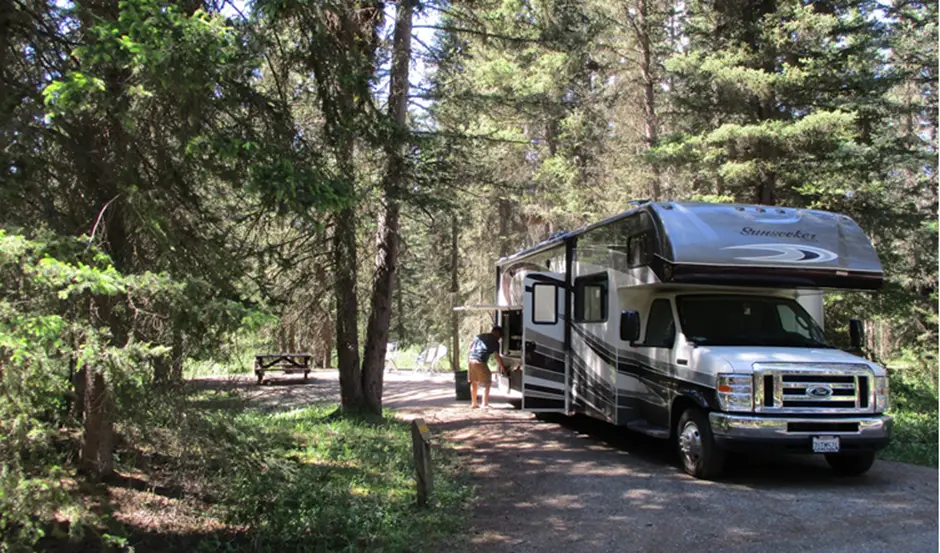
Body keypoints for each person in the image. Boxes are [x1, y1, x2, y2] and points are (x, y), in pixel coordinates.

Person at [467, 326, 505, 409]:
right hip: (480, 361)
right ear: (496, 333)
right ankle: (484, 404)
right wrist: (502, 367)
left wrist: (470, 354)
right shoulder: (495, 341)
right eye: (500, 336)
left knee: (474, 382)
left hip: (471, 359)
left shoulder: (481, 336)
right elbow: (497, 357)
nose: (499, 338)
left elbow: (470, 345)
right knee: (487, 382)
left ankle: (474, 404)